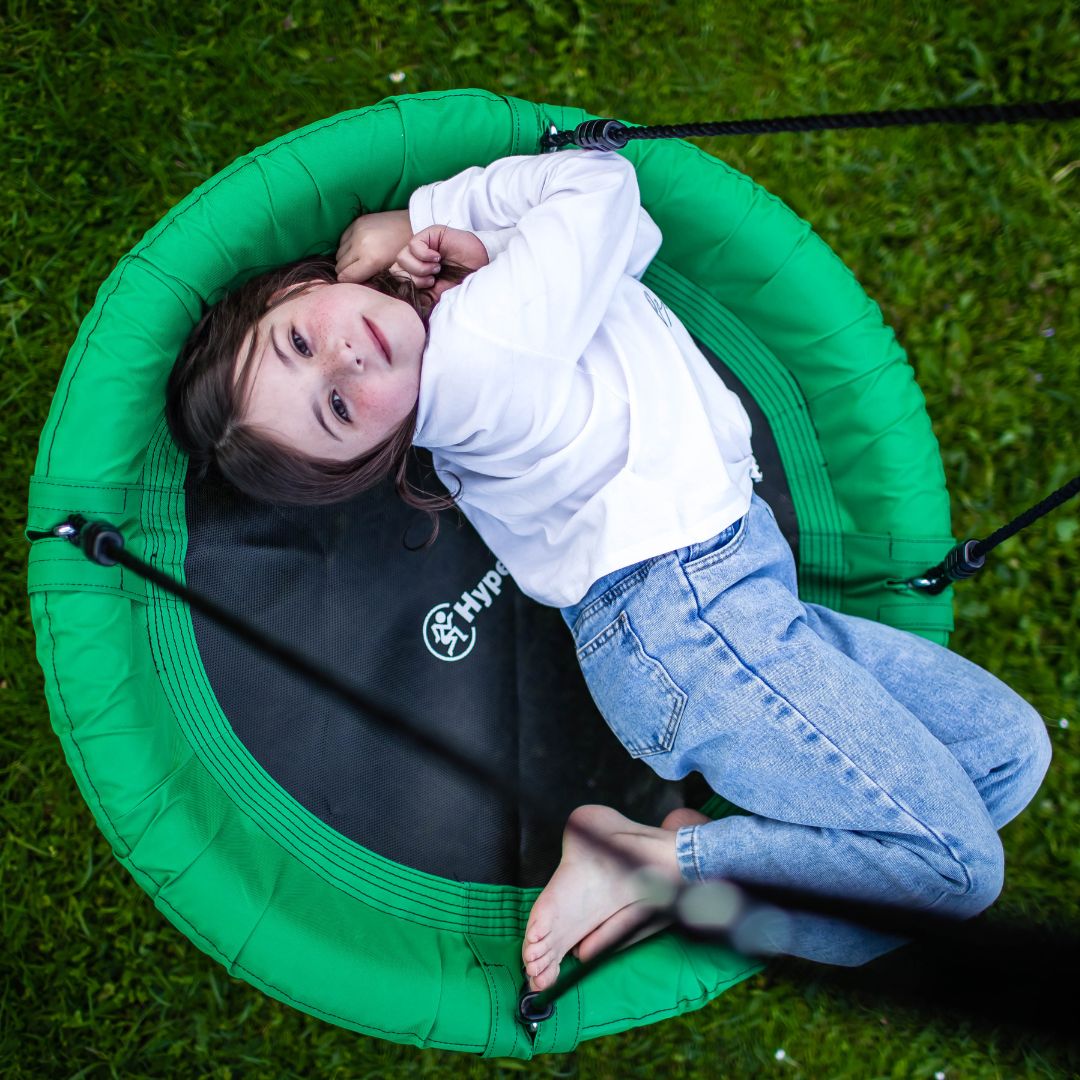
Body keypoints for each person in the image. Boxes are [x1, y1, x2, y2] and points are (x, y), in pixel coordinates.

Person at [167, 150, 1052, 994]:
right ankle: (660, 869)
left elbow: (625, 251)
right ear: (374, 445)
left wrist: (486, 257)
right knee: (957, 871)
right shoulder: (480, 346)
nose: (345, 362)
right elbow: (601, 186)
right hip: (694, 623)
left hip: (716, 611)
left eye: (296, 342)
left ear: (298, 289)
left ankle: (706, 860)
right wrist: (423, 216)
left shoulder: (478, 326)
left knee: (1005, 755)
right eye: (335, 409)